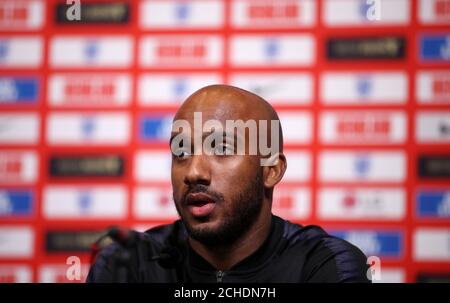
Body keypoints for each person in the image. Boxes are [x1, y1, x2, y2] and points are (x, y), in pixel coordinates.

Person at [87, 85, 371, 283]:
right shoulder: (128, 264)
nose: (194, 171)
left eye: (221, 149)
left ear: (271, 170)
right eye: (182, 152)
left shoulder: (322, 264)